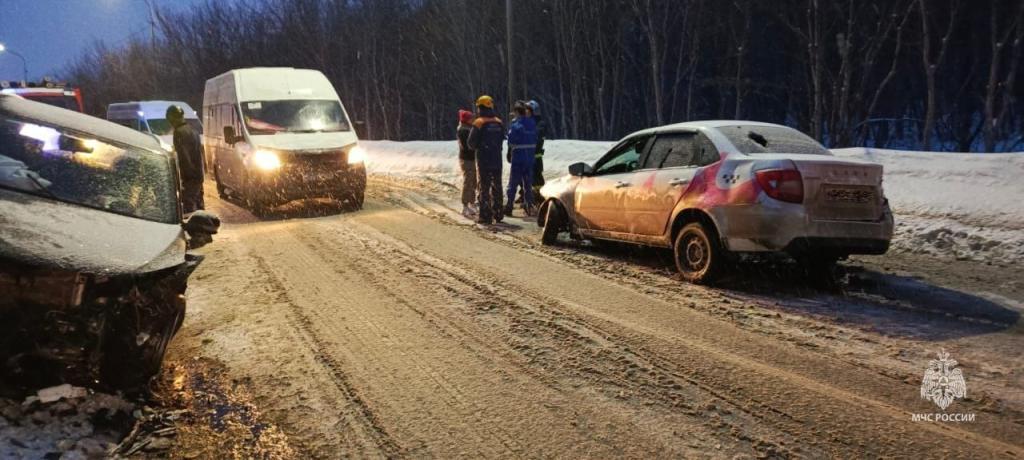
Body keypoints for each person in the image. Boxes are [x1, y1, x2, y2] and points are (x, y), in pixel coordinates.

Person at [467, 95, 506, 225]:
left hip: (484, 159)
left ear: (481, 107)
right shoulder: (499, 122)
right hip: (497, 158)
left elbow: (471, 143)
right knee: (497, 186)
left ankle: (485, 215)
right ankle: (499, 212)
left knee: (484, 186)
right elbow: (502, 139)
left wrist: (480, 145)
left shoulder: (479, 123)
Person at [168, 105, 205, 213]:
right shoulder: (193, 131)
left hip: (190, 178)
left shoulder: (179, 132)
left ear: (172, 118)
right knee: (199, 205)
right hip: (198, 175)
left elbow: (184, 157)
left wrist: (183, 178)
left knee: (189, 207)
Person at [504, 100, 538, 217]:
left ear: (517, 112)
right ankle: (529, 205)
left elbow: (511, 141)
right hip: (530, 157)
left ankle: (509, 206)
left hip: (518, 158)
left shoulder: (516, 125)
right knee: (528, 183)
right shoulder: (533, 123)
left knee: (513, 183)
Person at [456, 109, 477, 218]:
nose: (473, 120)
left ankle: (472, 202)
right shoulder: (463, 130)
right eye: (471, 118)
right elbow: (467, 146)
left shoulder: (469, 129)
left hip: (471, 159)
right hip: (466, 159)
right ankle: (465, 204)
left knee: (473, 180)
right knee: (468, 181)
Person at [527, 100, 548, 200]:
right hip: (526, 155)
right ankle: (526, 195)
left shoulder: (540, 124)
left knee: (537, 179)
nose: (526, 113)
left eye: (528, 111)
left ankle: (540, 197)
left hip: (535, 157)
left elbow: (537, 136)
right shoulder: (528, 122)